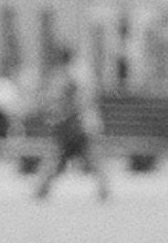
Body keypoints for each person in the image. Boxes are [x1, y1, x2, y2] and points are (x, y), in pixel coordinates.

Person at [31, 38, 111, 203]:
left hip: (77, 124)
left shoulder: (71, 74)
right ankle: (42, 189)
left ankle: (42, 189)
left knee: (63, 156)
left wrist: (58, 114)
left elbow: (76, 100)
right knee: (64, 157)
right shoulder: (78, 72)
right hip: (78, 124)